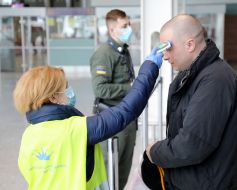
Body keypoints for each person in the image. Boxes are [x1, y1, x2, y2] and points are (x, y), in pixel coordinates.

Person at [13, 48, 163, 190]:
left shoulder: (29, 135)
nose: (69, 92)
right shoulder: (75, 129)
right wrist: (149, 67)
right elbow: (125, 112)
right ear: (53, 97)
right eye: (65, 87)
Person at [144, 14, 237, 190]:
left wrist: (155, 152)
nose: (164, 56)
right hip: (196, 178)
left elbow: (192, 144)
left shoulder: (215, 81)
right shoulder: (193, 73)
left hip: (206, 182)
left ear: (190, 44)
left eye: (168, 48)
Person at [90, 9, 136, 190]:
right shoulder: (104, 53)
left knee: (122, 173)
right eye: (124, 26)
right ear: (111, 30)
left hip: (127, 119)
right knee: (110, 175)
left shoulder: (123, 51)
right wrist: (130, 89)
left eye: (129, 25)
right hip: (112, 122)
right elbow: (100, 88)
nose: (129, 29)